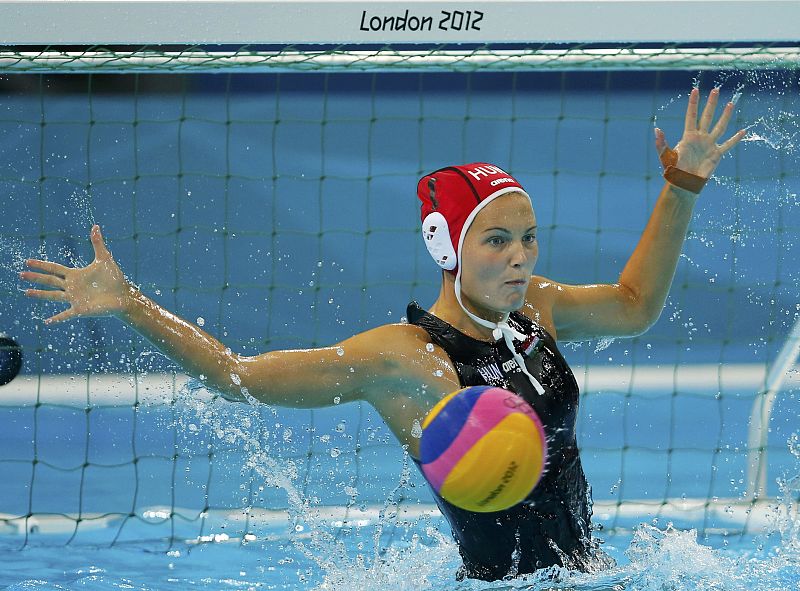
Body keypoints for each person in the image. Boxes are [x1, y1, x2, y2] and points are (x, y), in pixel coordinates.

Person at [20, 87, 744, 581]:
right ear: (446, 244)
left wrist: (682, 186)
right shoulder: (401, 358)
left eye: (527, 236)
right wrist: (130, 302)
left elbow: (634, 304)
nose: (520, 255)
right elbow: (235, 374)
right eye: (496, 239)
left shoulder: (537, 309)